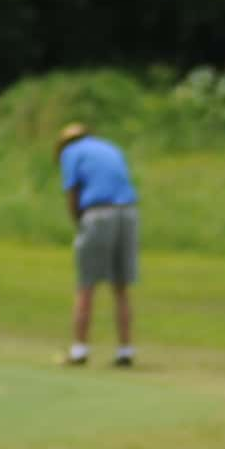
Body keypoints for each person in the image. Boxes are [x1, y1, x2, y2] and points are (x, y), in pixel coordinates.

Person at [56, 120, 138, 368]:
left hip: (98, 213)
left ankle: (79, 350)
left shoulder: (71, 152)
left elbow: (73, 194)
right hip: (129, 213)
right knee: (121, 287)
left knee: (86, 284)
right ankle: (125, 350)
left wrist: (79, 223)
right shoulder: (110, 148)